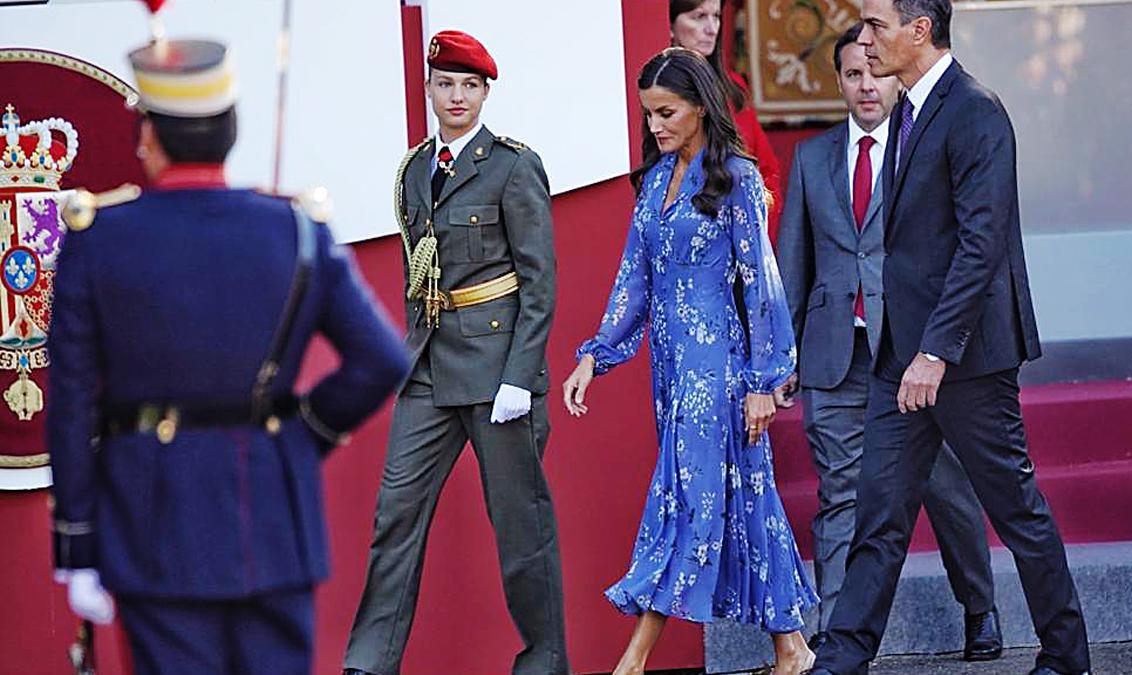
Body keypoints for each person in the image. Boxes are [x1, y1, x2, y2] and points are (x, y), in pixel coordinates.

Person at [47, 37, 410, 674]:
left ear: (149, 139)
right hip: (274, 518)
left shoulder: (99, 241)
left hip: (150, 523)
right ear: (232, 131)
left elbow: (72, 403)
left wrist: (75, 541)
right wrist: (300, 437)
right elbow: (381, 358)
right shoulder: (296, 228)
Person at [807, 0, 1092, 673]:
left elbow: (981, 244)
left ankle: (1067, 653)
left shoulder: (975, 110)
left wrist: (935, 350)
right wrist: (908, 350)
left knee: (1015, 509)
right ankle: (840, 659)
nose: (865, 39)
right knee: (878, 516)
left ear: (919, 30)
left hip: (964, 357)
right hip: (897, 355)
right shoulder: (906, 111)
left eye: (876, 25)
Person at [563, 47, 818, 675]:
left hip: (720, 371)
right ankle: (792, 647)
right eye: (649, 113)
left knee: (684, 500)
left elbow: (763, 284)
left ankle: (632, 662)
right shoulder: (654, 182)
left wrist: (765, 381)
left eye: (667, 112)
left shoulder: (737, 178)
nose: (655, 124)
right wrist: (595, 356)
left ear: (701, 108)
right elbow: (634, 279)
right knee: (747, 497)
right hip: (671, 371)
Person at [343, 30, 568, 675]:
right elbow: (421, 274)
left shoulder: (512, 166)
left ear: (486, 92)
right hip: (430, 369)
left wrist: (522, 376)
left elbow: (539, 280)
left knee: (522, 532)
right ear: (429, 89)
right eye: (446, 84)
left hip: (500, 371)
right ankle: (368, 663)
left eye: (470, 86)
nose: (458, 96)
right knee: (395, 519)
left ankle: (544, 663)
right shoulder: (416, 168)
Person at [775, 23, 1000, 660]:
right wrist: (783, 351)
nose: (866, 84)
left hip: (912, 347)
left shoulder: (923, 145)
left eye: (875, 71)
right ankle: (837, 632)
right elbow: (795, 258)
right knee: (840, 490)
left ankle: (980, 608)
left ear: (897, 74)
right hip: (835, 352)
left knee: (942, 485)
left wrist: (947, 341)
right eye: (852, 74)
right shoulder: (814, 158)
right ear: (839, 82)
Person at [670, 0, 784, 238]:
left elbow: (767, 169)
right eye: (699, 16)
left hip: (745, 237)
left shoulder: (734, 89)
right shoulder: (660, 95)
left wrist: (756, 224)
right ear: (670, 25)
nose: (712, 28)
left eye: (716, 16)